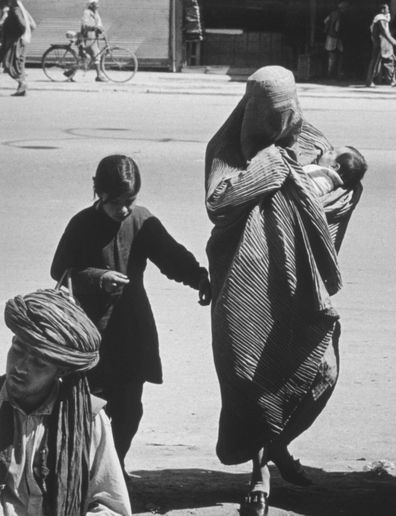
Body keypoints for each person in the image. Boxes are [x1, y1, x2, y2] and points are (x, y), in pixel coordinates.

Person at [205, 65, 362, 516]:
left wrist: (297, 185)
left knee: (321, 372)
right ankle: (260, 470)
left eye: (283, 113)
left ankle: (275, 447)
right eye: (265, 114)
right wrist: (275, 164)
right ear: (250, 109)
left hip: (300, 288)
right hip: (242, 285)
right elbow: (220, 203)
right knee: (252, 379)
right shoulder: (225, 148)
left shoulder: (315, 144)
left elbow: (341, 198)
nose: (275, 125)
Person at [50, 154, 212, 480]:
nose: (124, 209)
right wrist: (97, 277)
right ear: (100, 193)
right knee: (89, 408)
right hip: (89, 333)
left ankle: (115, 464)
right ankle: (86, 473)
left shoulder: (140, 221)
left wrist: (199, 277)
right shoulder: (81, 224)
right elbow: (60, 271)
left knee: (129, 409)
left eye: (131, 200)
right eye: (117, 202)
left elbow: (171, 257)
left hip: (132, 331)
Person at [1, 289, 132, 515]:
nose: (20, 367)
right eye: (18, 350)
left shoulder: (88, 418)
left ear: (60, 369)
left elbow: (111, 507)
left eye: (39, 363)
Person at [301, 145, 368, 197]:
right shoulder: (329, 182)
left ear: (334, 166)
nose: (326, 151)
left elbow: (302, 188)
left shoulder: (320, 178)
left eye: (330, 153)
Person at [0, 0, 34, 96]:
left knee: (9, 63)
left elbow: (22, 25)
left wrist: (19, 37)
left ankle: (22, 83)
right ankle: (21, 88)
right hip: (12, 41)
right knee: (16, 64)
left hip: (14, 42)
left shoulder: (15, 11)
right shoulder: (17, 10)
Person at [365, 3, 396, 88]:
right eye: (387, 9)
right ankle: (369, 81)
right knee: (376, 63)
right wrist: (394, 42)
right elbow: (385, 33)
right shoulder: (380, 19)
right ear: (382, 10)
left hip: (384, 44)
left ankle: (392, 80)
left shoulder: (383, 19)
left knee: (391, 61)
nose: (389, 10)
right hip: (381, 44)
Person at [78, 0, 106, 82]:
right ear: (91, 5)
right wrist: (94, 27)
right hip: (87, 38)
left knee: (90, 57)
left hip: (93, 38)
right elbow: (84, 25)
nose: (97, 5)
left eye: (97, 3)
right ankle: (99, 76)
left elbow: (99, 24)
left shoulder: (96, 13)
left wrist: (101, 29)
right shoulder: (86, 12)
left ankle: (70, 72)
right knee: (94, 56)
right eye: (96, 3)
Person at [323, 1, 349, 80]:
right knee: (335, 56)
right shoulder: (340, 15)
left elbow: (325, 21)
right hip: (335, 37)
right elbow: (337, 28)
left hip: (329, 36)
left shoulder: (332, 13)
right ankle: (332, 74)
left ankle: (330, 73)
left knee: (331, 56)